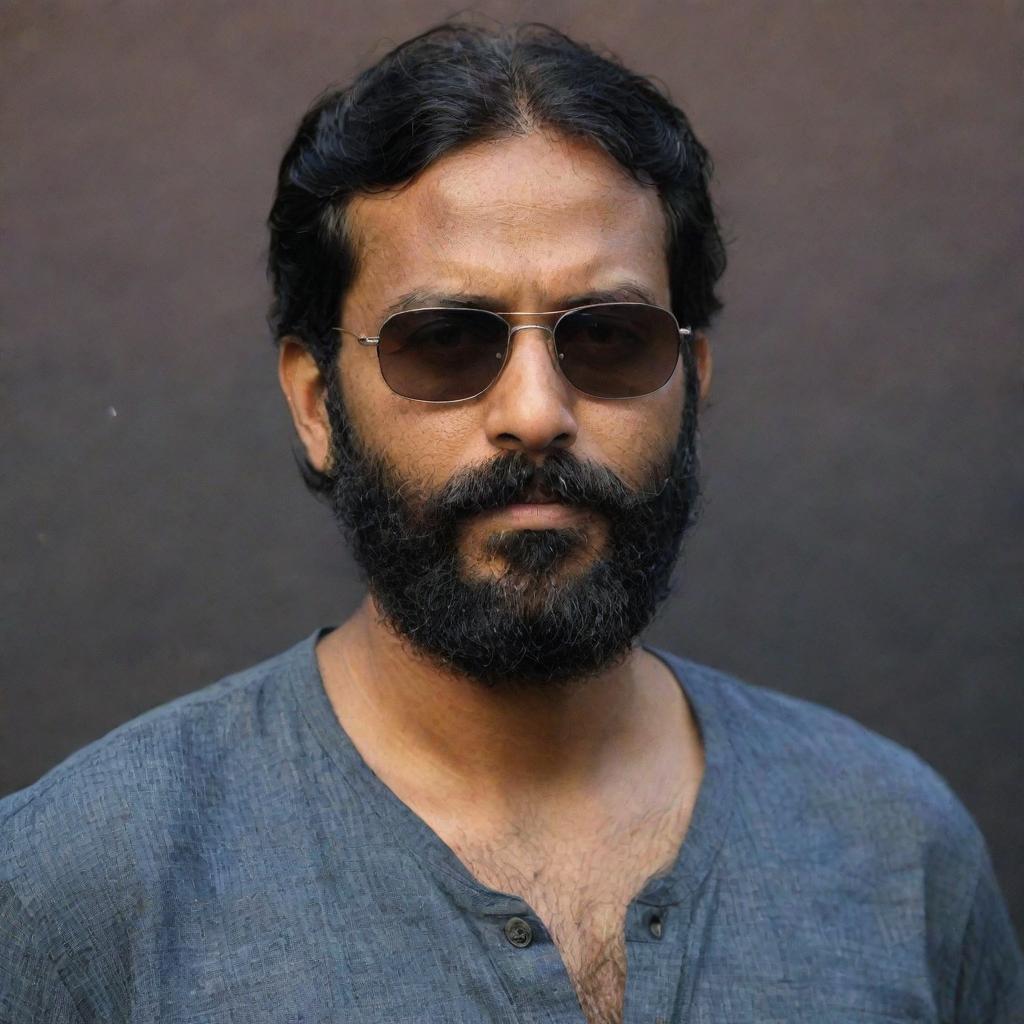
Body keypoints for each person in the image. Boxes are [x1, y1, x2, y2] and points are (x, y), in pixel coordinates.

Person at [1, 21, 1020, 1024]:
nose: (536, 411)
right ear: (317, 404)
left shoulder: (898, 847)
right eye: (443, 342)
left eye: (611, 340)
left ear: (692, 385)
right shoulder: (81, 885)